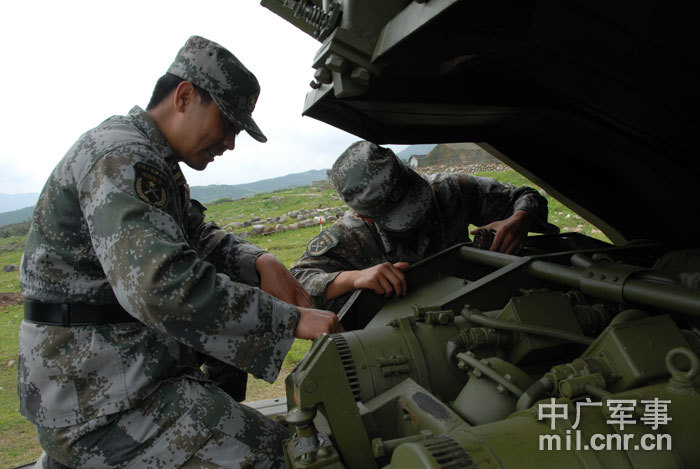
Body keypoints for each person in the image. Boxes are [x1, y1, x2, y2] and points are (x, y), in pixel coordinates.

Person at [18, 35, 340, 468]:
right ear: (185, 96)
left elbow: (195, 234)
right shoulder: (123, 157)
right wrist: (290, 321)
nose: (230, 143)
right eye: (227, 123)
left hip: (113, 380)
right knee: (283, 457)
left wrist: (259, 261)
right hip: (104, 401)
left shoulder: (152, 159)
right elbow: (160, 284)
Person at [290, 141, 559, 312]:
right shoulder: (350, 236)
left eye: (415, 201)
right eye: (401, 216)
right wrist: (354, 278)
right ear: (366, 217)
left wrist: (519, 220)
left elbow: (527, 196)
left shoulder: (449, 190)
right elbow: (295, 285)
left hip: (480, 308)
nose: (417, 217)